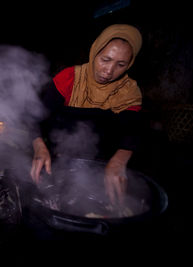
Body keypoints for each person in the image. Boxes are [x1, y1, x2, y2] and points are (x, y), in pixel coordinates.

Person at [30, 24, 143, 206]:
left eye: (120, 65)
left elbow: (132, 130)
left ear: (129, 64)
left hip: (102, 166)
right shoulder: (69, 78)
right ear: (95, 51)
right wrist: (38, 146)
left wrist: (119, 160)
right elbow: (36, 117)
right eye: (105, 59)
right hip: (58, 161)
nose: (109, 71)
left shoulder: (129, 91)